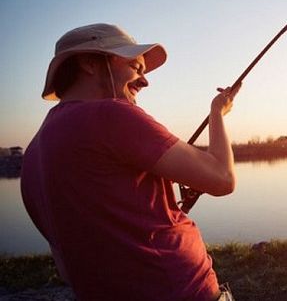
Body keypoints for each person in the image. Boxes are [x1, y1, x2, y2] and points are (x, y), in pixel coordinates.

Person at [21, 23, 238, 301]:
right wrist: (217, 112)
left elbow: (66, 267)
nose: (144, 81)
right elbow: (222, 178)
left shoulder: (33, 155)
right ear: (90, 62)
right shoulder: (110, 115)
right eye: (136, 67)